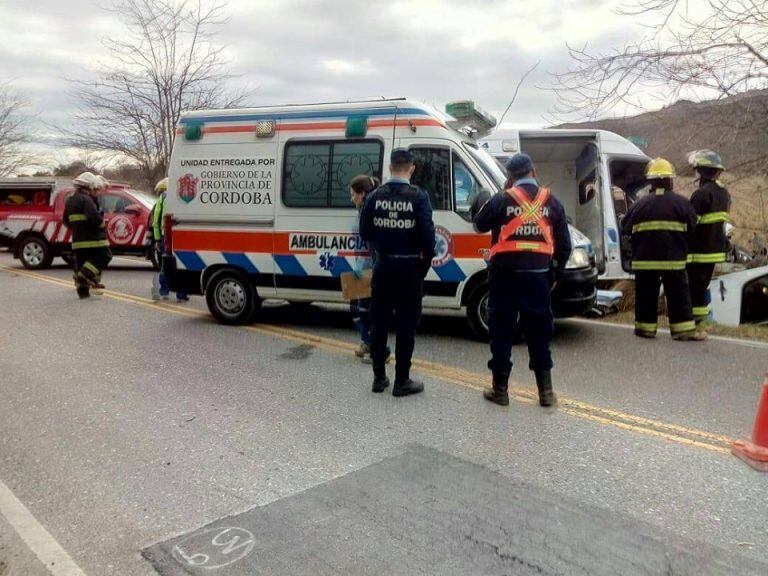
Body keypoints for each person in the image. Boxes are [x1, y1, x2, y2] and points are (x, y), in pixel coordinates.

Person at [471, 153, 571, 407]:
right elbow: (565, 246)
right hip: (538, 277)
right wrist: (554, 274)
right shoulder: (553, 201)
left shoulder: (502, 199)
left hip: (504, 276)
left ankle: (500, 390)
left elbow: (478, 225)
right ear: (534, 171)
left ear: (509, 178)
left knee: (502, 331)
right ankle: (546, 393)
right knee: (539, 332)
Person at [359, 149, 435, 396]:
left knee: (379, 323)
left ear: (390, 167)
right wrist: (421, 268)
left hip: (383, 268)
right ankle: (402, 380)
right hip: (409, 269)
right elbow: (428, 239)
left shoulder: (373, 196)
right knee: (406, 326)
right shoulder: (419, 197)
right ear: (411, 168)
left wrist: (380, 254)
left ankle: (379, 378)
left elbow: (365, 233)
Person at [621, 158, 705, 341]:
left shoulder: (639, 205)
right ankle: (683, 331)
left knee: (646, 295)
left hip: (644, 261)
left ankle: (645, 329)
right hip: (673, 260)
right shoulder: (682, 203)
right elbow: (693, 228)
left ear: (650, 181)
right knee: (678, 295)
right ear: (670, 180)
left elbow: (625, 227)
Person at [348, 174, 390, 363]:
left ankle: (382, 350)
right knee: (355, 308)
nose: (352, 199)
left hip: (371, 266)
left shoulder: (370, 210)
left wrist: (364, 264)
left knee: (368, 309)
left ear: (362, 194)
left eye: (353, 195)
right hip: (362, 265)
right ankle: (367, 341)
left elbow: (371, 243)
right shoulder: (363, 208)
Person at [686, 150, 731, 327]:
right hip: (714, 251)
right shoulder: (723, 193)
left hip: (699, 251)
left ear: (701, 171)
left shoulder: (701, 194)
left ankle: (695, 321)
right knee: (702, 286)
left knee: (695, 288)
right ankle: (702, 319)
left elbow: (691, 223)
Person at [63, 172, 112, 299]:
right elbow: (94, 217)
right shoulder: (86, 199)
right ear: (89, 186)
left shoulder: (70, 200)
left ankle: (83, 292)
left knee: (82, 262)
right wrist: (101, 224)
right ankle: (85, 275)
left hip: (77, 240)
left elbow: (65, 220)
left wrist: (76, 229)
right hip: (93, 238)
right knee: (105, 256)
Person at [151, 177, 189, 302]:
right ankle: (181, 294)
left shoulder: (163, 198)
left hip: (166, 235)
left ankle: (164, 291)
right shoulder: (184, 193)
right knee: (182, 264)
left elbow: (156, 221)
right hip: (182, 234)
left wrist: (156, 239)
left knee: (165, 264)